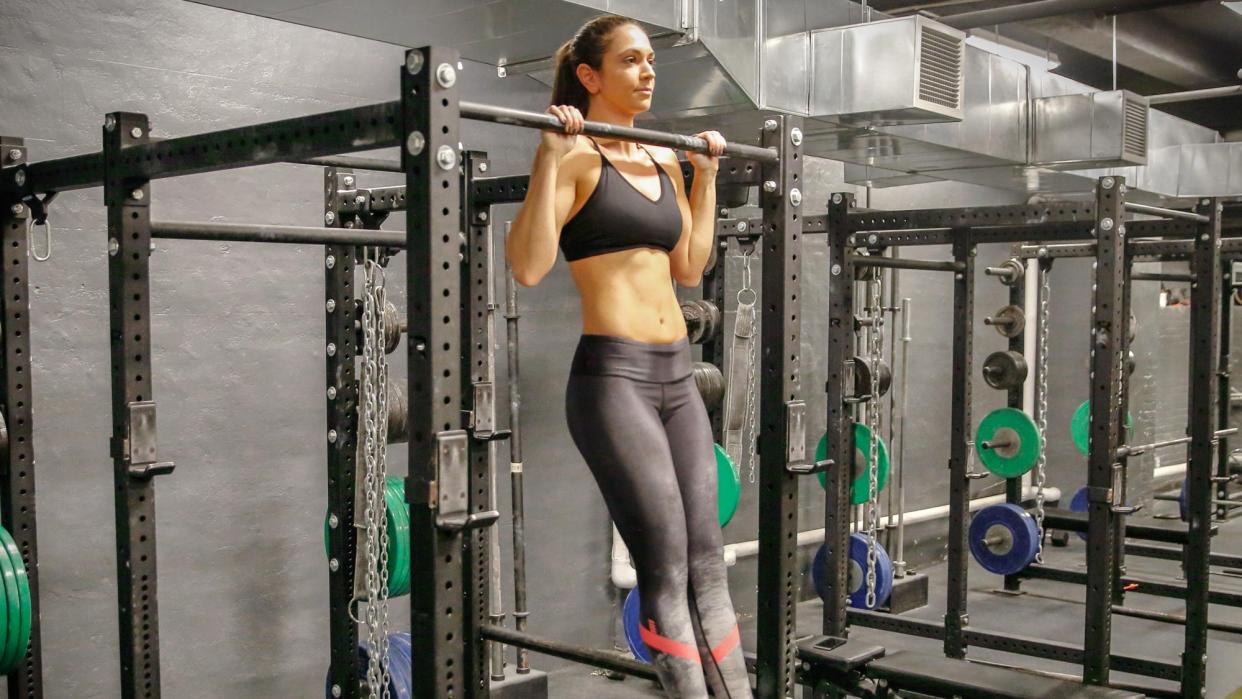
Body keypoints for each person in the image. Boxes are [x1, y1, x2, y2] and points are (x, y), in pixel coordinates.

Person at [504, 13, 752, 699]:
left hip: (678, 374)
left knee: (710, 562)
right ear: (590, 77)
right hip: (614, 380)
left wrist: (704, 176)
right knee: (666, 570)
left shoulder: (665, 156)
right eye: (631, 61)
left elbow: (691, 268)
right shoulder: (579, 157)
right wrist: (548, 155)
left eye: (651, 61)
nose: (648, 73)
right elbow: (527, 266)